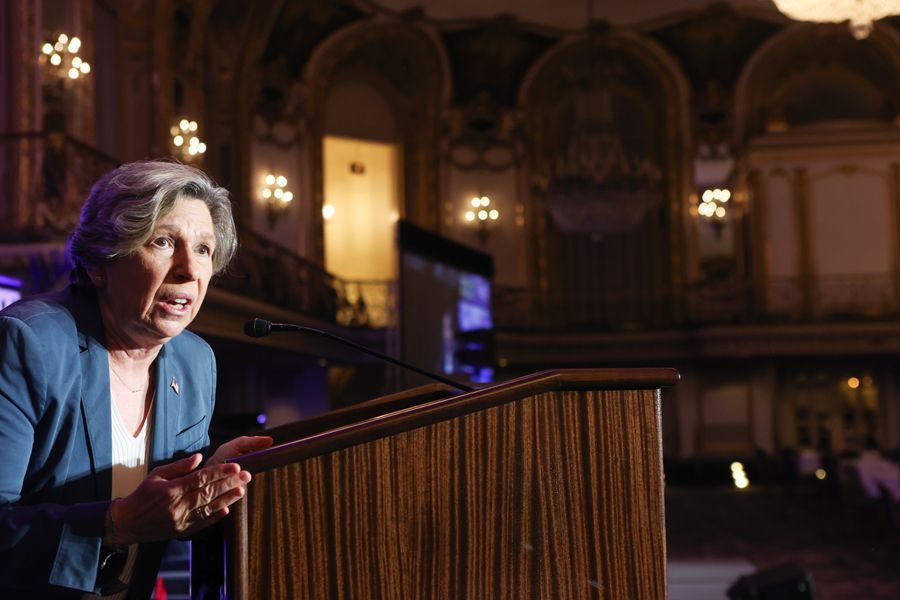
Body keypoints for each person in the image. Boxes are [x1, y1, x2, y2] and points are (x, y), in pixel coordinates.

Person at [0, 160, 273, 598]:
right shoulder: (28, 344)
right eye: (164, 241)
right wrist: (118, 523)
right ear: (101, 263)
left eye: (203, 249)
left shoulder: (194, 361)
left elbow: (165, 515)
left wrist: (209, 482)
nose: (189, 269)